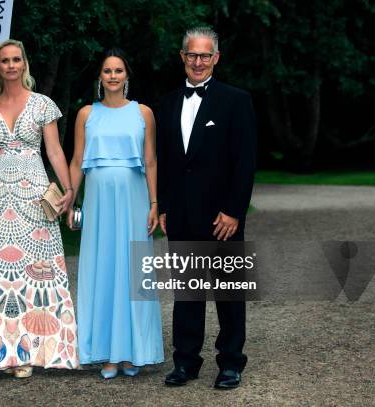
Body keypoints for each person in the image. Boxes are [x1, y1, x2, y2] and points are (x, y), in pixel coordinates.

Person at [0, 39, 78, 378]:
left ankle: (36, 351)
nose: (11, 65)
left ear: (25, 63)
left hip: (34, 198)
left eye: (17, 59)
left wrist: (69, 189)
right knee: (0, 275)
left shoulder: (42, 104)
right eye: (5, 61)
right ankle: (4, 354)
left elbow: (55, 151)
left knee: (38, 271)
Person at [157, 27, 256, 389]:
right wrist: (165, 206)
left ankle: (231, 362)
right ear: (182, 57)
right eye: (191, 55)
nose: (198, 62)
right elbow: (165, 161)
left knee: (228, 292)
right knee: (186, 293)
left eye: (205, 55)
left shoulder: (236, 100)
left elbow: (244, 162)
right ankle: (185, 362)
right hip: (181, 214)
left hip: (222, 217)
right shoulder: (166, 103)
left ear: (216, 58)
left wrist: (234, 211)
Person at [67, 48, 164, 379]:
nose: (112, 76)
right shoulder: (85, 114)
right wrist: (70, 199)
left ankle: (134, 351)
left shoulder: (143, 113)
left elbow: (150, 160)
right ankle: (108, 353)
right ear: (100, 77)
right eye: (107, 71)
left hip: (134, 199)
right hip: (98, 202)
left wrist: (154, 204)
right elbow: (77, 160)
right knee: (103, 270)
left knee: (134, 273)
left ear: (127, 76)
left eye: (118, 70)